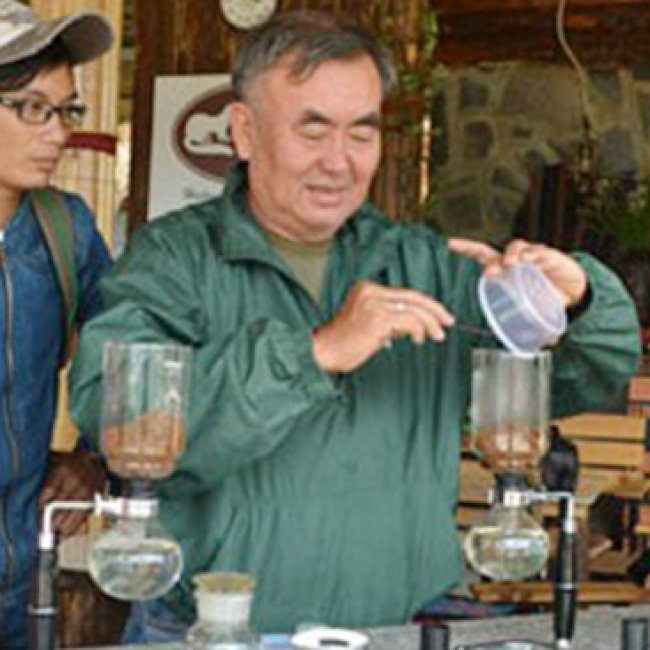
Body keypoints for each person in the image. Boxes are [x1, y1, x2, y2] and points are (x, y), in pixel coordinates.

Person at [70, 10, 640, 642]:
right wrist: (313, 354)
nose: (339, 162)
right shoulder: (172, 262)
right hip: (213, 632)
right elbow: (115, 417)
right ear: (245, 131)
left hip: (397, 632)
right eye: (312, 130)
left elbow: (580, 378)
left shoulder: (426, 268)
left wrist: (575, 303)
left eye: (361, 132)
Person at [0, 1, 113, 646]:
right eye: (31, 108)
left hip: (20, 582)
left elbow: (129, 346)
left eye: (65, 110)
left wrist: (94, 457)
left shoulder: (65, 230)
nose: (58, 133)